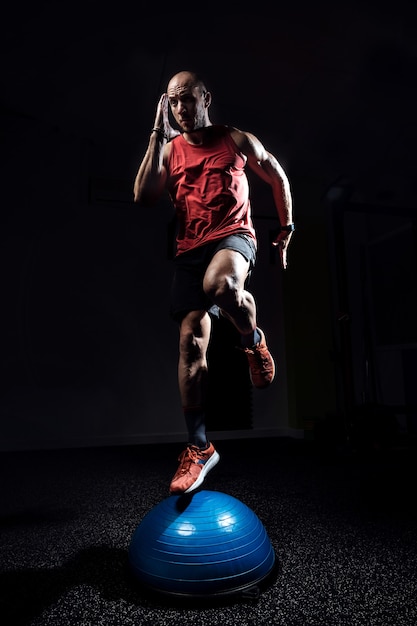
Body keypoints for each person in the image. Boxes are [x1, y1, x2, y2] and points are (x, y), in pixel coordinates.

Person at [133, 70, 294, 495]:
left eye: (188, 98)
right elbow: (142, 196)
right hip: (189, 250)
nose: (181, 108)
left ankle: (252, 337)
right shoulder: (169, 149)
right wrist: (156, 131)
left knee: (220, 286)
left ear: (207, 98)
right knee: (190, 344)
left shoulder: (236, 139)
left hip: (233, 237)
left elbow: (276, 174)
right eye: (173, 101)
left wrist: (286, 225)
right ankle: (199, 446)